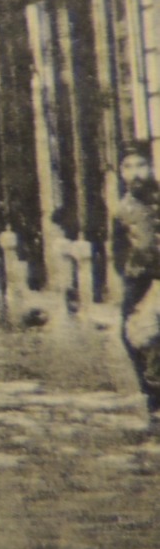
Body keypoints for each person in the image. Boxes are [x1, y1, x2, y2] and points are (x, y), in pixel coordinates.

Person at [112, 140, 160, 418]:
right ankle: (151, 394)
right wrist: (126, 270)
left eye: (141, 165)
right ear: (121, 172)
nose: (135, 173)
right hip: (140, 279)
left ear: (151, 167)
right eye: (128, 167)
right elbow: (117, 247)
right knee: (130, 334)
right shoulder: (122, 208)